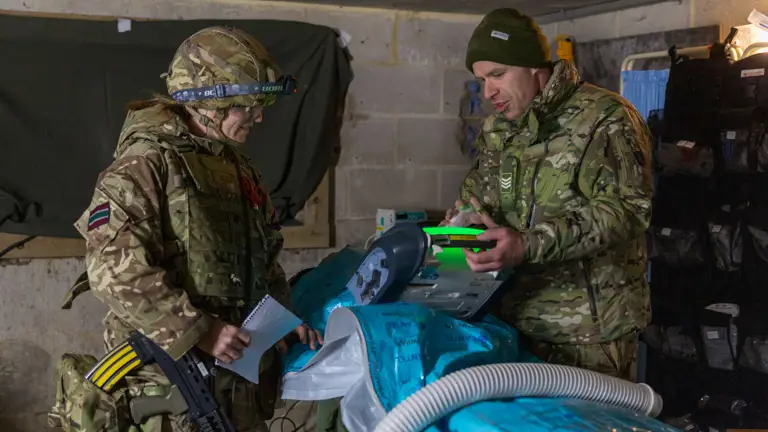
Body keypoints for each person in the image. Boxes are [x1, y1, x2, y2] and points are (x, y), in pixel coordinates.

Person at [48, 26, 321, 432]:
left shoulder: (238, 170)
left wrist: (279, 320)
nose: (259, 115)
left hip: (237, 387)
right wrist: (201, 330)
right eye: (250, 104)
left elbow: (264, 260)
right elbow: (114, 270)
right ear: (211, 101)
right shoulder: (145, 164)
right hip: (168, 386)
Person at [443, 8, 653, 382]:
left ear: (534, 69)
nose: (487, 92)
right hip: (511, 321)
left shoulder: (605, 118)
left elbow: (626, 210)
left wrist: (529, 244)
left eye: (497, 75)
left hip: (587, 336)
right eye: (481, 79)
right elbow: (477, 194)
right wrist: (458, 224)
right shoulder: (499, 127)